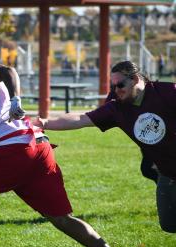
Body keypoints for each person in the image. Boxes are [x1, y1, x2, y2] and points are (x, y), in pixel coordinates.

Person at [0, 53, 132, 247]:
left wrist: (16, 99)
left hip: (14, 151)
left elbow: (7, 71)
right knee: (61, 218)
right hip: (38, 147)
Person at [36, 60, 176, 234]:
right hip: (167, 173)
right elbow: (82, 119)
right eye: (113, 87)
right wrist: (46, 122)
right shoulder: (116, 107)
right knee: (169, 224)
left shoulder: (168, 92)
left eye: (120, 85)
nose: (116, 91)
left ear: (134, 79)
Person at [105, 86, 158, 184]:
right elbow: (107, 109)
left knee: (151, 169)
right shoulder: (117, 95)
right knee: (148, 169)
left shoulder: (158, 95)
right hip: (149, 142)